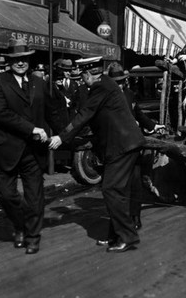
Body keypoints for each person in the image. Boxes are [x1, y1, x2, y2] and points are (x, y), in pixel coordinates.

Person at [49, 57, 146, 253]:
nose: (82, 81)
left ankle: (127, 235)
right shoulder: (107, 84)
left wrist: (61, 137)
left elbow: (85, 114)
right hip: (123, 145)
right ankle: (115, 236)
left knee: (111, 190)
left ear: (87, 74)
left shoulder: (101, 87)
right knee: (116, 191)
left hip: (122, 146)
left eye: (82, 77)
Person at [0, 39, 64, 255]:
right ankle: (20, 224)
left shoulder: (39, 83)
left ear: (29, 60)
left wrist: (61, 133)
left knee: (35, 197)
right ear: (9, 61)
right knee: (6, 194)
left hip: (33, 150)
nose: (21, 63)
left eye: (24, 59)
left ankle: (32, 236)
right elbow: (0, 113)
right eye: (16, 60)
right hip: (4, 148)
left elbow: (52, 111)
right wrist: (32, 129)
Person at [107, 62, 164, 230]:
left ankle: (136, 216)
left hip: (132, 145)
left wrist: (153, 126)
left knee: (135, 183)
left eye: (121, 81)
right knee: (118, 187)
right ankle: (121, 220)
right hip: (117, 146)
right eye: (115, 82)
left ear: (125, 81)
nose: (119, 85)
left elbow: (139, 114)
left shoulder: (130, 94)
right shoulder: (106, 97)